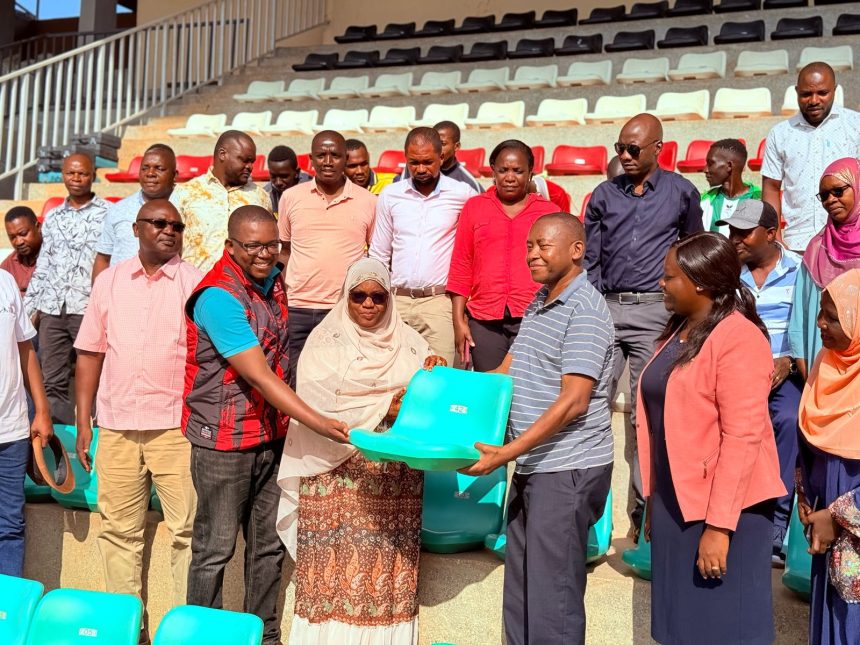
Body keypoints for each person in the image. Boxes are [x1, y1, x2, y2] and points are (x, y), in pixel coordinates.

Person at [183, 205, 348, 645]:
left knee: (268, 546)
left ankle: (263, 635)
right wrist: (318, 422)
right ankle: (203, 636)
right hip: (224, 440)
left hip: (270, 434)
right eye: (253, 246)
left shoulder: (274, 282)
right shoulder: (218, 297)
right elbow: (258, 375)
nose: (264, 254)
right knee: (215, 548)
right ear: (230, 247)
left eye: (271, 245)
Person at [461, 213, 614, 645]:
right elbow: (507, 371)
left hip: (567, 466)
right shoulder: (541, 301)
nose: (532, 254)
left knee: (553, 601)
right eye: (529, 246)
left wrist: (505, 453)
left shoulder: (584, 310)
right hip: (534, 463)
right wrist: (442, 384)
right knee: (523, 588)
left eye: (543, 245)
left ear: (576, 250)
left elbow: (574, 401)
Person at [276, 257, 446, 644]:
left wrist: (433, 373)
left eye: (378, 296)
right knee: (333, 570)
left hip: (392, 478)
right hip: (333, 474)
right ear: (346, 297)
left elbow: (431, 400)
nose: (368, 304)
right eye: (358, 296)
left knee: (385, 568)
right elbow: (315, 403)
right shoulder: (324, 341)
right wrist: (384, 407)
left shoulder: (412, 344)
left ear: (390, 299)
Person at [639, 232, 785, 645]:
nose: (661, 284)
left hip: (724, 511)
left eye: (670, 277)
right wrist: (653, 499)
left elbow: (742, 437)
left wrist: (719, 527)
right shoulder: (679, 331)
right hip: (675, 504)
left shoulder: (739, 337)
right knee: (679, 626)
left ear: (700, 283)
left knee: (720, 627)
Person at [73, 200, 200, 643]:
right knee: (118, 533)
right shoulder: (108, 282)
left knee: (188, 531)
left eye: (177, 226)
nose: (169, 231)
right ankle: (127, 632)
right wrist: (84, 421)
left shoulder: (195, 283)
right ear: (135, 229)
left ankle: (184, 632)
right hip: (117, 427)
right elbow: (90, 353)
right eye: (159, 223)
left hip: (175, 429)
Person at [584, 113, 704, 534]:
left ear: (658, 148)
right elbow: (591, 259)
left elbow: (692, 252)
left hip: (655, 311)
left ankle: (644, 520)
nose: (625, 155)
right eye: (620, 147)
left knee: (645, 412)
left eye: (633, 148)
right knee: (588, 403)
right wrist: (594, 308)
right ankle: (585, 516)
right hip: (605, 307)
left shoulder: (682, 193)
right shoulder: (603, 194)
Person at [719, 199, 802, 561]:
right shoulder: (725, 273)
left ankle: (776, 525)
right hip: (736, 373)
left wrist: (790, 362)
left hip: (785, 373)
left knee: (788, 419)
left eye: (744, 232)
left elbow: (810, 326)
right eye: (732, 231)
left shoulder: (800, 270)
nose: (735, 239)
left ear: (770, 234)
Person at [277, 130, 377, 388]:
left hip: (343, 309)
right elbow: (284, 250)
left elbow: (375, 257)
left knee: (342, 383)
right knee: (295, 384)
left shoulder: (368, 201)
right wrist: (284, 295)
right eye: (321, 155)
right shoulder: (291, 197)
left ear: (346, 158)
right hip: (297, 308)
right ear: (311, 159)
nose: (328, 161)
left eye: (335, 155)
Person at [447, 140, 557, 371]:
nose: (510, 177)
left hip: (534, 317)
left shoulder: (549, 212)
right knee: (490, 385)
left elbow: (560, 269)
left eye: (518, 171)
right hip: (484, 320)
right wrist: (458, 321)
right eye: (503, 170)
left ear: (530, 173)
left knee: (529, 384)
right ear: (493, 171)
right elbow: (461, 264)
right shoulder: (474, 208)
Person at [797, 269, 860, 645]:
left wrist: (837, 517)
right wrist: (807, 498)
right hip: (826, 534)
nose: (820, 323)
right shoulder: (827, 363)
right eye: (821, 312)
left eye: (832, 317)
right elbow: (808, 439)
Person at [23, 153, 111, 425]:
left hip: (87, 308)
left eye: (82, 173)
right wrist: (29, 309)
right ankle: (60, 439)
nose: (76, 178)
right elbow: (44, 265)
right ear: (62, 175)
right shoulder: (53, 217)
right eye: (70, 173)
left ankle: (96, 436)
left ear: (93, 175)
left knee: (95, 378)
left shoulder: (108, 213)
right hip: (52, 309)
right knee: (52, 380)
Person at [761, 63, 860, 252]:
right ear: (796, 91)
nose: (814, 100)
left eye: (822, 93)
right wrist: (776, 239)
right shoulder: (780, 134)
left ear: (835, 90)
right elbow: (771, 188)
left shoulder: (856, 125)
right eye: (806, 94)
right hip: (798, 243)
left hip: (850, 242)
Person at [0, 267, 52, 577]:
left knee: (10, 525)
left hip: (11, 430)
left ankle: (7, 604)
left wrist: (41, 410)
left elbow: (25, 349)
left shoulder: (5, 282)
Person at [789, 158, 860, 379]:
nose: (830, 200)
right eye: (824, 195)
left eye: (838, 191)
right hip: (825, 365)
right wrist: (805, 369)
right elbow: (801, 314)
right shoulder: (816, 248)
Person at [170, 130, 269, 270]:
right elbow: (170, 244)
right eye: (244, 160)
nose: (250, 167)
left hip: (245, 282)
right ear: (222, 154)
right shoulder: (185, 193)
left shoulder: (261, 197)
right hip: (198, 281)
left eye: (252, 162)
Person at [92, 143, 178, 280]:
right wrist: (98, 292)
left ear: (174, 175)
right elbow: (103, 258)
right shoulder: (118, 210)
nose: (150, 173)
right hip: (120, 289)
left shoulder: (187, 208)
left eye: (159, 168)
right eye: (145, 168)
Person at [396, 121, 484, 193]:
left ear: (456, 146)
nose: (437, 147)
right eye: (434, 143)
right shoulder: (415, 166)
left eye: (442, 143)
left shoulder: (467, 182)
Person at [701, 139, 761, 236]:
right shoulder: (704, 200)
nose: (705, 170)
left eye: (710, 163)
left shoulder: (759, 199)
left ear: (729, 166)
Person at [2, 206, 42, 296]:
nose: (19, 242)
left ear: (38, 227)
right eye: (12, 237)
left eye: (23, 234)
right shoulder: (10, 263)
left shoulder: (57, 255)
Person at [263, 145, 311, 214]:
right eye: (273, 176)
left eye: (284, 176)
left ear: (296, 173)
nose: (278, 182)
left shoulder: (311, 190)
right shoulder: (266, 194)